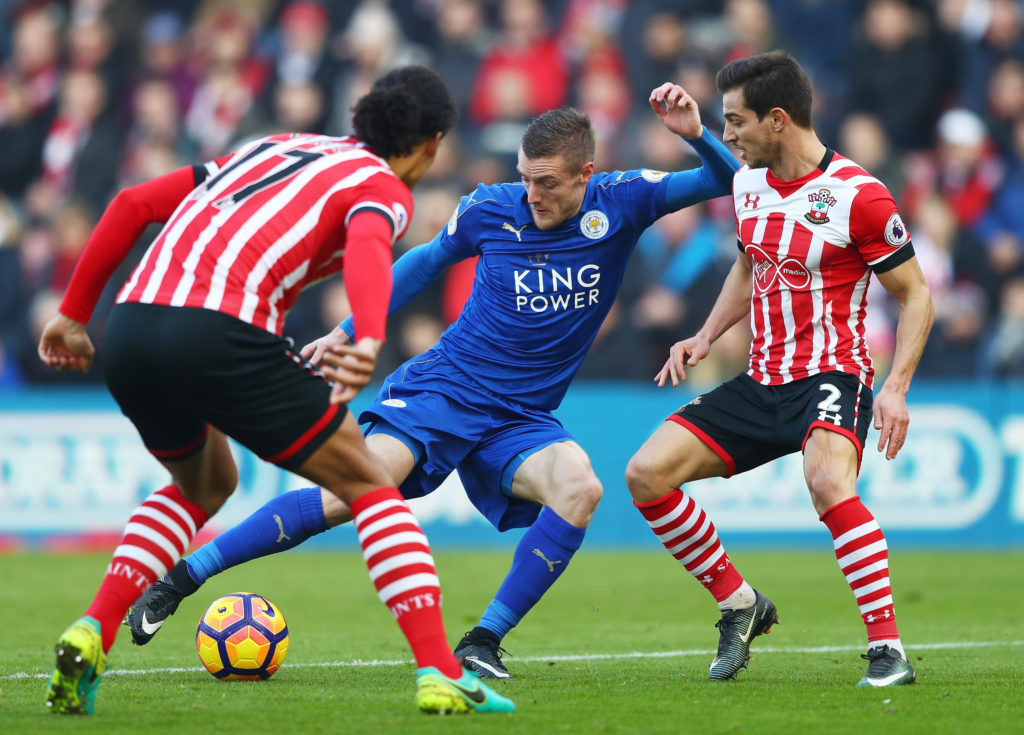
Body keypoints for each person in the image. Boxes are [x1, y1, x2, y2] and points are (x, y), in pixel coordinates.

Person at [123, 83, 741, 679]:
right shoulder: (490, 209)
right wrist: (347, 329)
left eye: (547, 183)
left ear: (585, 174)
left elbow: (723, 179)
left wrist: (697, 134)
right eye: (525, 177)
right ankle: (181, 579)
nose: (531, 195)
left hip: (521, 416)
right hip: (444, 390)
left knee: (579, 487)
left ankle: (482, 640)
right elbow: (420, 265)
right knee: (352, 491)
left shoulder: (625, 200)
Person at [37, 65, 515, 716]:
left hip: (130, 327)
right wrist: (369, 337)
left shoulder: (273, 145)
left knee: (205, 484)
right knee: (370, 484)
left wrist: (72, 313)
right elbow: (373, 242)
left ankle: (92, 627)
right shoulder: (382, 184)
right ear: (432, 143)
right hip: (217, 330)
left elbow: (132, 206)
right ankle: (438, 670)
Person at [624, 50, 933, 687]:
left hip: (832, 375)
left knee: (827, 484)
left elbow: (917, 294)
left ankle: (888, 651)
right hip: (763, 378)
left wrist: (896, 388)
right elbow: (749, 265)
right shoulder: (746, 185)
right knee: (646, 475)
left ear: (778, 120)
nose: (727, 135)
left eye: (735, 122)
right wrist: (705, 335)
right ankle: (740, 603)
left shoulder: (859, 196)